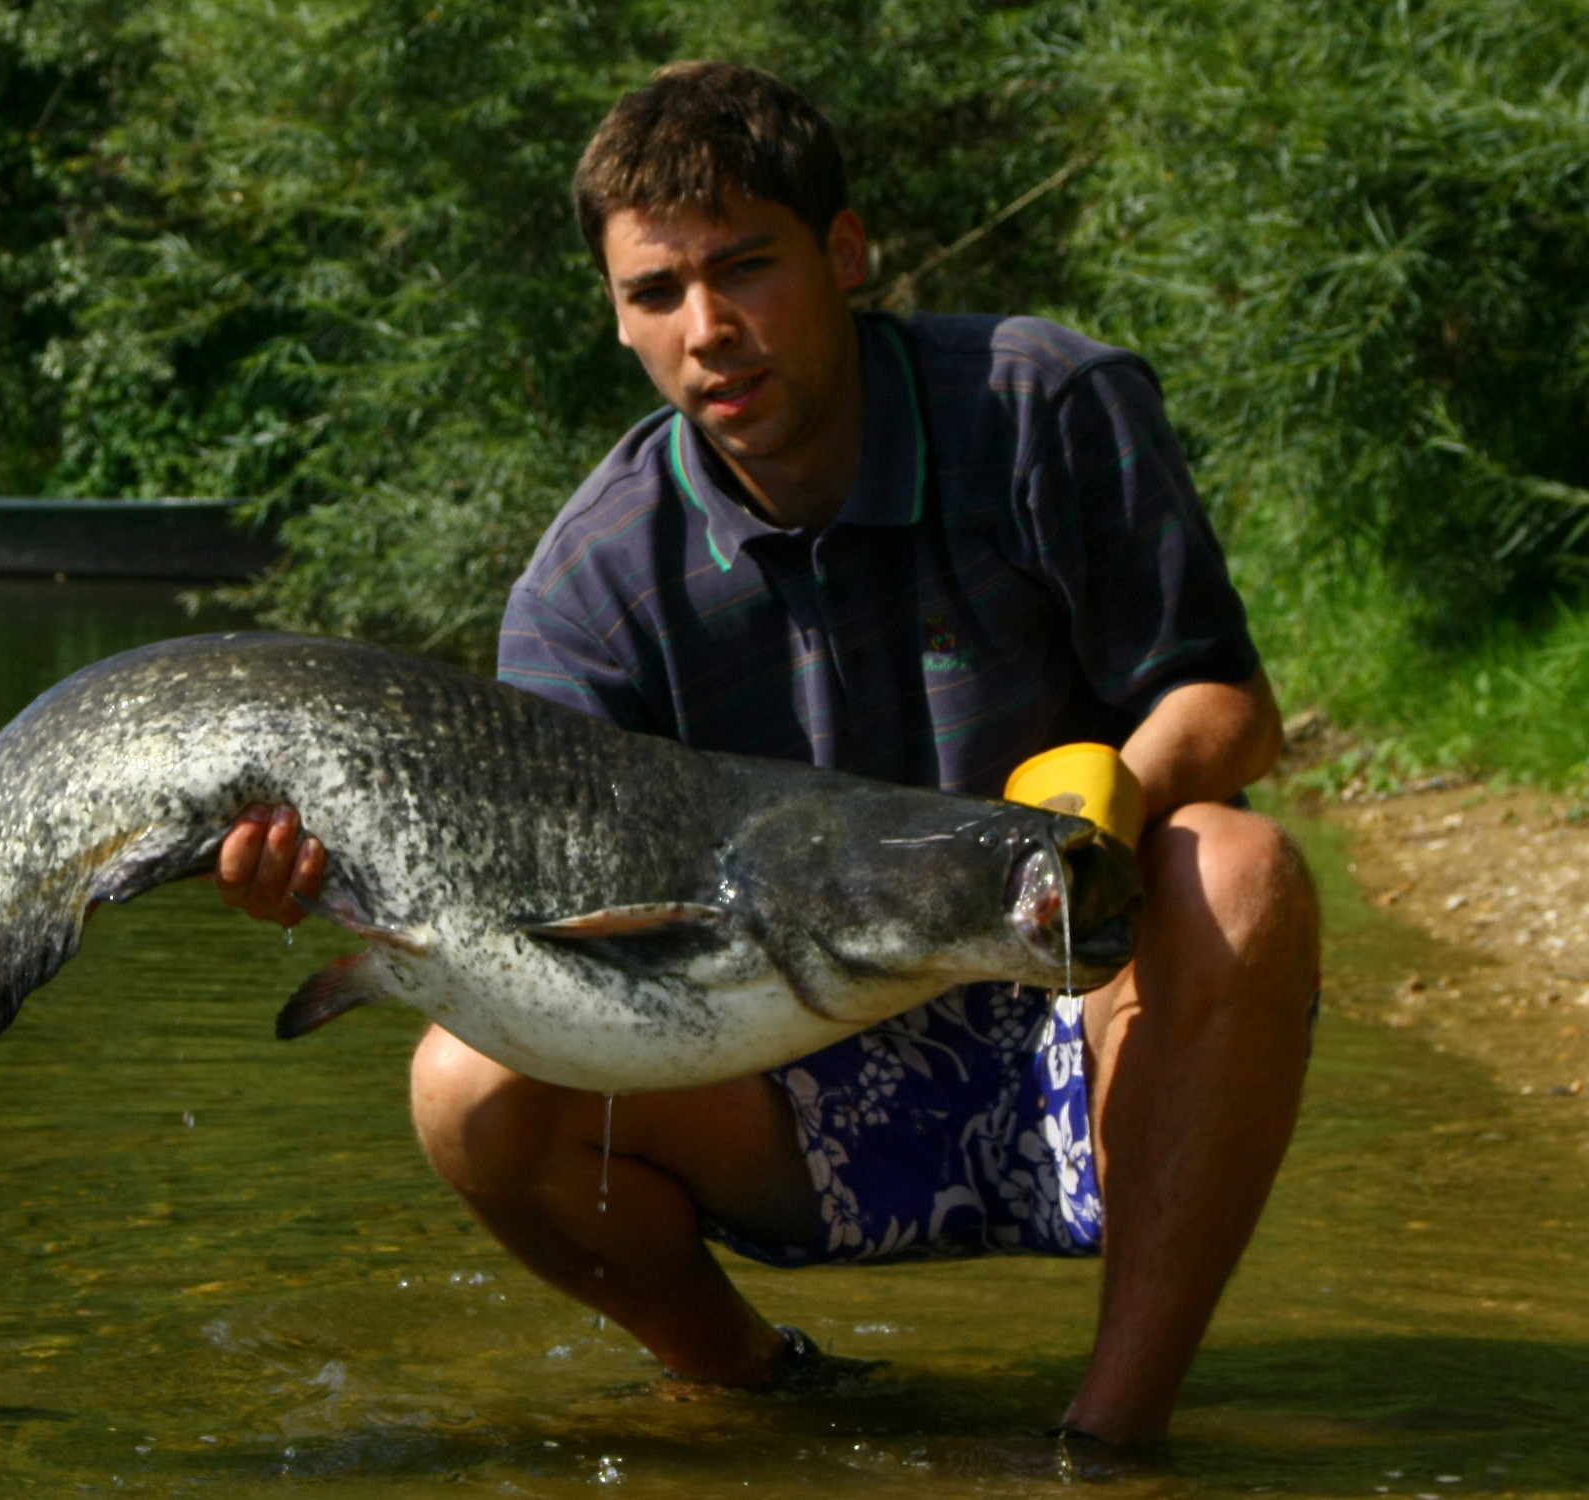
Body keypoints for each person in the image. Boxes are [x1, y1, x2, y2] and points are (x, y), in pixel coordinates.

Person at [213, 61, 1320, 1448]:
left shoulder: (1046, 404)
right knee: (467, 1082)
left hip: (1077, 1002)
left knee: (1242, 864)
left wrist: (1121, 792)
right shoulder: (588, 586)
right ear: (617, 320)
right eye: (657, 293)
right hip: (782, 1072)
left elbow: (1231, 704)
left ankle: (1109, 1439)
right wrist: (334, 893)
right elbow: (549, 933)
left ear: (846, 253)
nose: (711, 328)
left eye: (748, 267)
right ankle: (758, 1393)